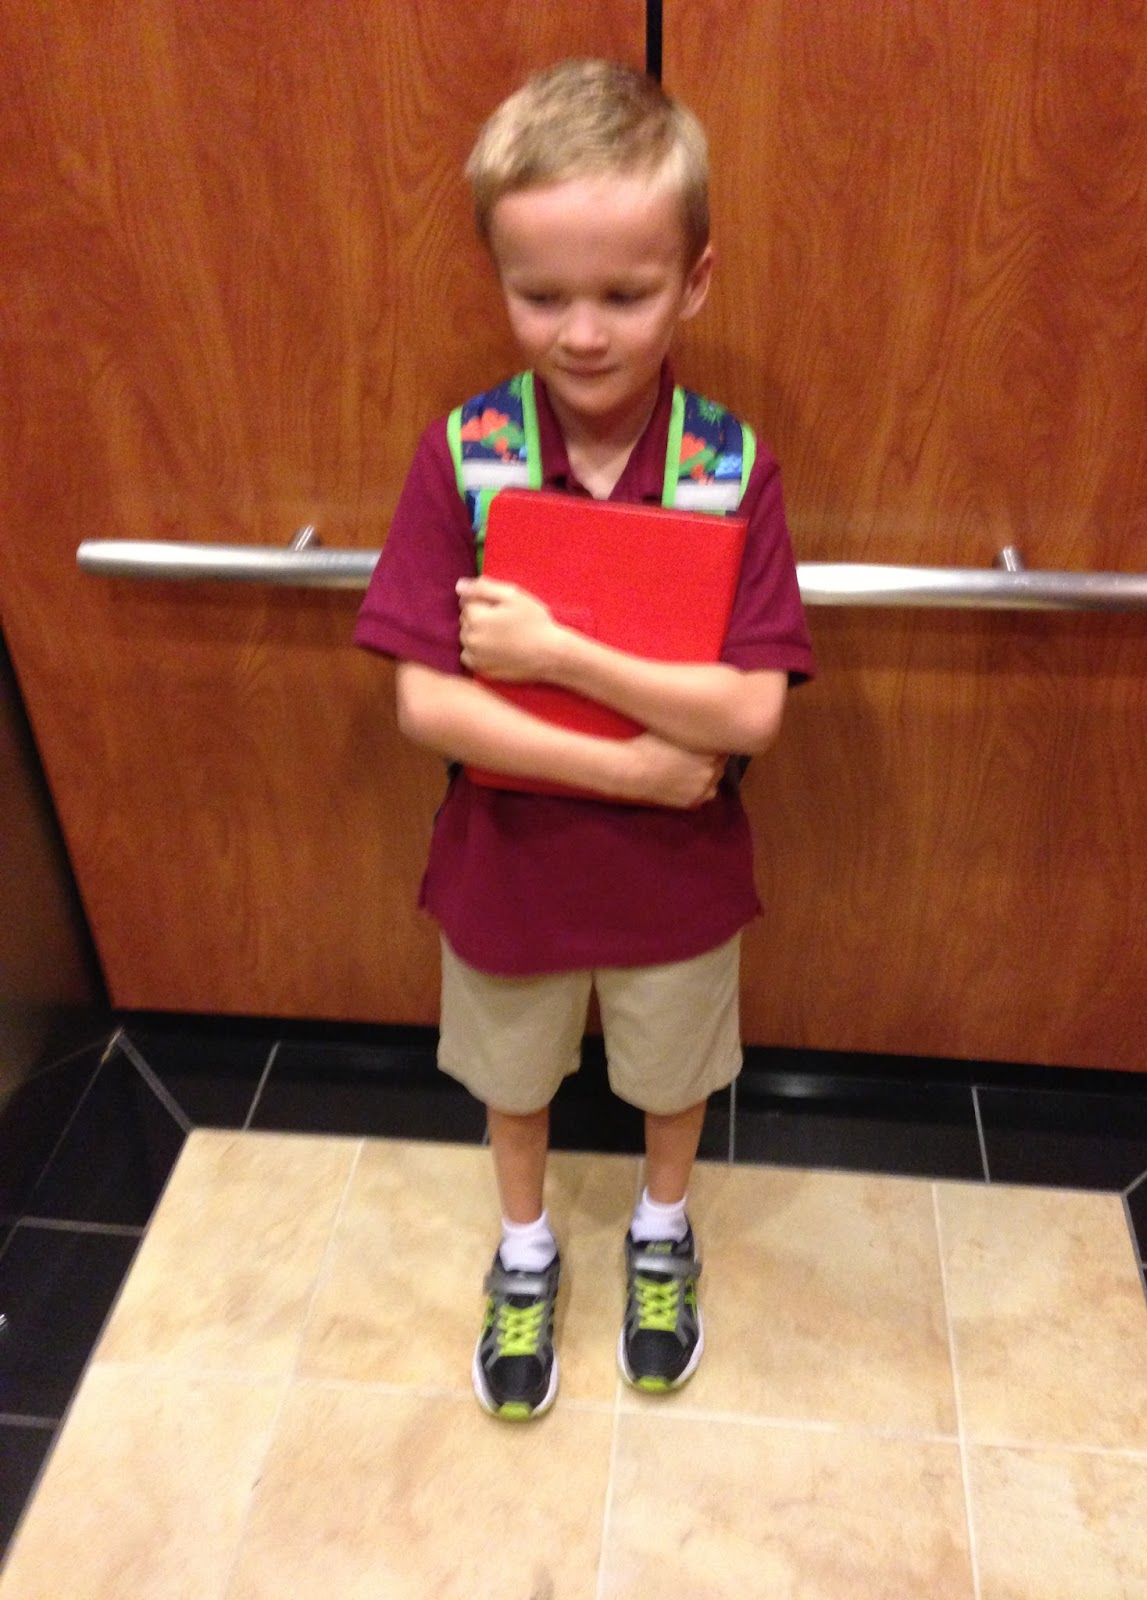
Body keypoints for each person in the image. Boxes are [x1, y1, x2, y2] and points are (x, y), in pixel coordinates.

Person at [354, 58, 813, 1421]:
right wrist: (635, 767)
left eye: (626, 294)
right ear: (498, 280)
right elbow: (428, 704)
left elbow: (751, 712)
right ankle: (525, 1247)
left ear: (695, 283)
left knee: (673, 1074)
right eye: (543, 295)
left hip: (676, 881)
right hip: (509, 862)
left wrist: (557, 655)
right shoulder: (467, 455)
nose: (585, 333)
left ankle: (662, 1229)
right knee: (513, 1079)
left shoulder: (729, 468)